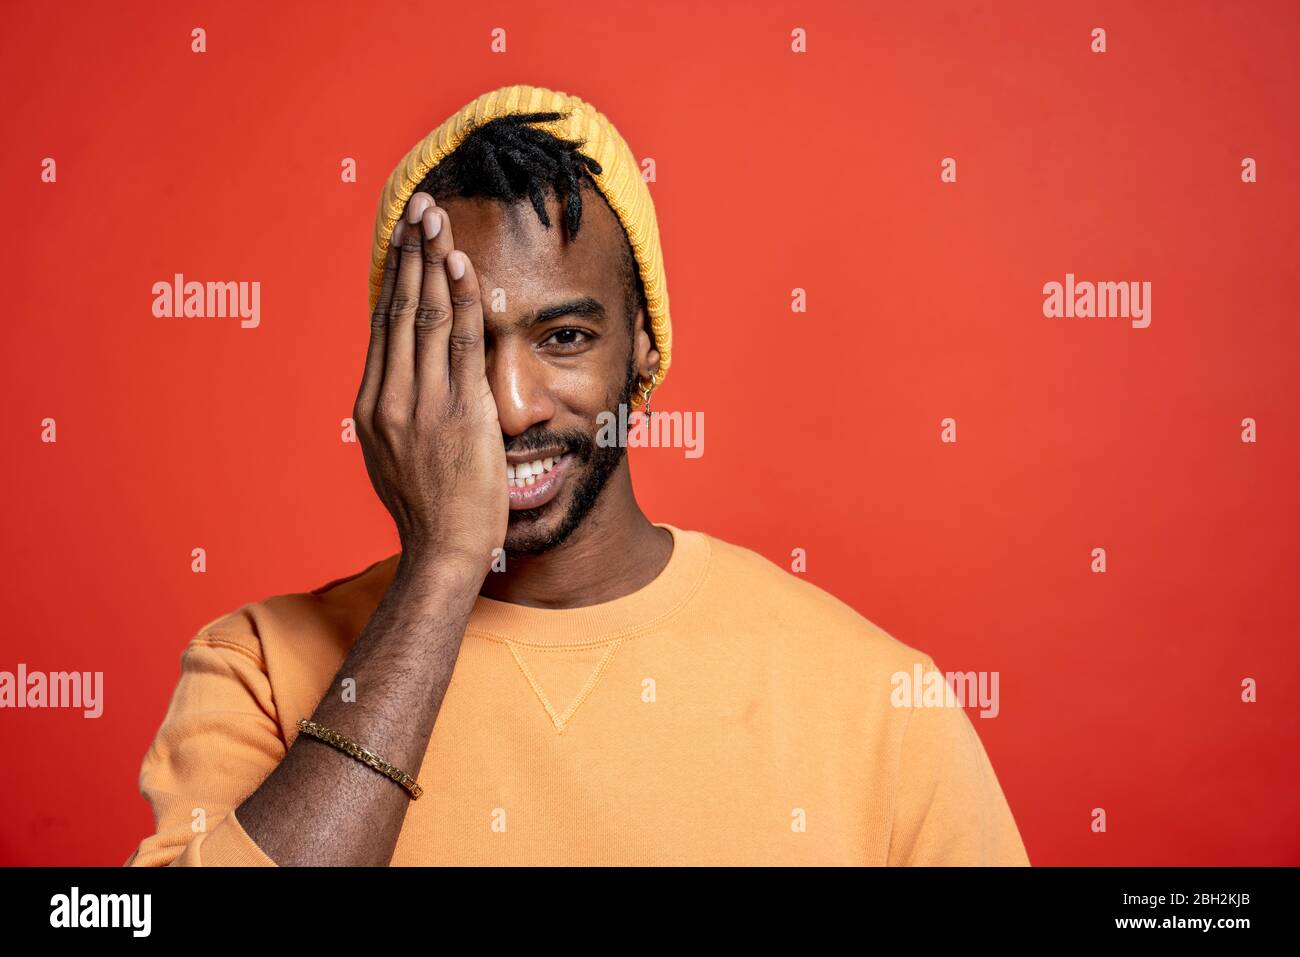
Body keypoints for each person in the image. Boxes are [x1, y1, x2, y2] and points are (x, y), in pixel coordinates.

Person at [125, 84, 1029, 866]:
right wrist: (444, 570)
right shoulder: (258, 671)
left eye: (565, 337)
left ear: (643, 341)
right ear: (400, 359)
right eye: (465, 341)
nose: (513, 404)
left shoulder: (879, 705)